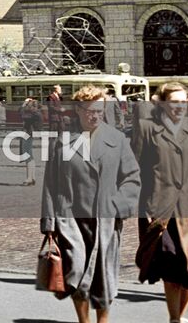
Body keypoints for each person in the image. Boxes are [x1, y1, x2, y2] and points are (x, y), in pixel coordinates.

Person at [40, 84, 141, 323]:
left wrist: (118, 205)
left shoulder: (117, 139)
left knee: (104, 275)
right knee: (77, 271)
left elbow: (132, 177)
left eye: (99, 111)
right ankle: (84, 321)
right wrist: (49, 222)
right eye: (89, 111)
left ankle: (103, 321)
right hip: (71, 218)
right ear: (78, 110)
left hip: (105, 216)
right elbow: (50, 184)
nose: (94, 116)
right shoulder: (63, 141)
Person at [131, 81, 188, 323]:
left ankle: (180, 315)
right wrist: (138, 203)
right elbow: (134, 168)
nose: (179, 107)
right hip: (159, 208)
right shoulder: (147, 128)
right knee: (170, 259)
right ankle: (174, 317)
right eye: (174, 102)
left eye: (184, 101)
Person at [20, 97, 43, 186]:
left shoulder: (34, 114)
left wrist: (23, 104)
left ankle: (29, 178)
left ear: (34, 107)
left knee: (27, 157)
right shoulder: (37, 113)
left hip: (28, 135)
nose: (28, 108)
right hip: (30, 134)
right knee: (30, 157)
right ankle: (32, 177)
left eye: (30, 106)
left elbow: (21, 114)